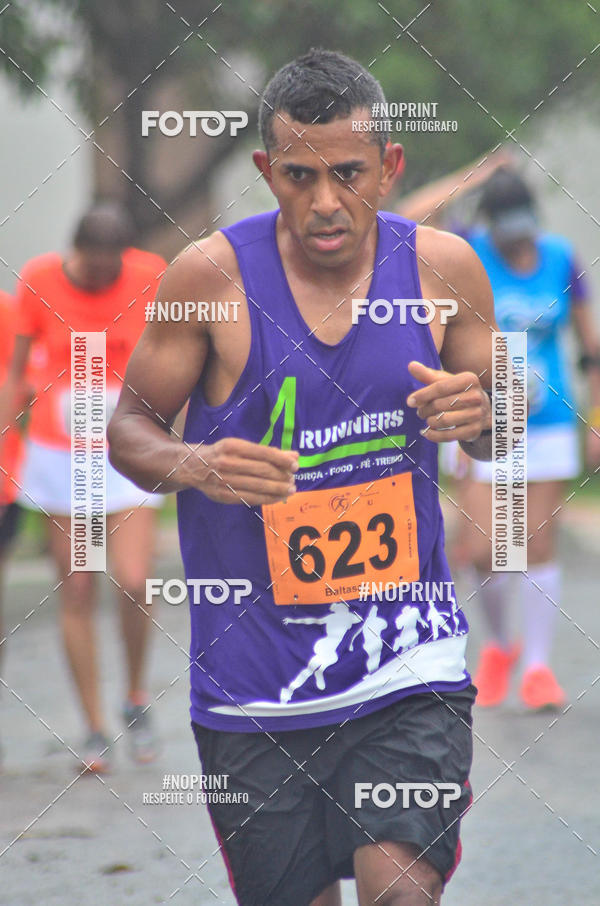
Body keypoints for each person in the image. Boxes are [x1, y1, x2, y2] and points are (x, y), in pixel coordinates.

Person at [108, 49, 498, 906]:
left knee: (402, 890)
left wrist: (485, 417)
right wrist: (196, 463)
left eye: (349, 174)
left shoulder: (446, 270)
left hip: (406, 662)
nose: (325, 202)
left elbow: (498, 426)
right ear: (265, 172)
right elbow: (125, 430)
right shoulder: (208, 278)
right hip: (254, 683)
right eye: (298, 176)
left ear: (390, 168)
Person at [400, 164, 600, 710]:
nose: (519, 243)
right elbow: (406, 220)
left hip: (552, 418)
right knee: (484, 548)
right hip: (482, 418)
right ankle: (502, 645)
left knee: (534, 544)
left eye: (525, 229)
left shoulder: (561, 257)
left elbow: (590, 344)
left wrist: (597, 420)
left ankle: (537, 668)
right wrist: (470, 176)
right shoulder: (467, 252)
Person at [0, 203, 166, 772]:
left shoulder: (149, 275)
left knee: (135, 580)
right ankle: (94, 726)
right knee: (76, 588)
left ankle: (136, 697)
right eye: (92, 269)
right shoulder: (40, 280)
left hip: (128, 450)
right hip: (62, 457)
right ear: (76, 253)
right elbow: (17, 373)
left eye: (110, 269)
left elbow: (170, 356)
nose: (101, 279)